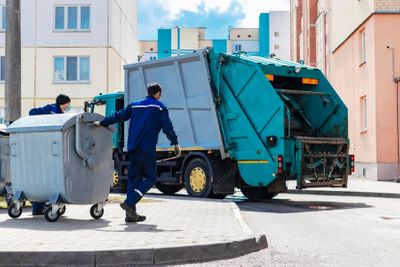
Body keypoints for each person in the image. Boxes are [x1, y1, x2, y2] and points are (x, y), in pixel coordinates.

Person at [94, 82, 180, 223]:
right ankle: (130, 202)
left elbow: (119, 115)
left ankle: (130, 214)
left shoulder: (135, 105)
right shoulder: (160, 107)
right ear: (158, 93)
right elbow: (167, 127)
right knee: (151, 178)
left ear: (148, 92)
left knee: (134, 179)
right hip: (147, 149)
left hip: (133, 149)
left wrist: (103, 122)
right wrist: (175, 142)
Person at [29, 94, 71, 215]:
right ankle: (37, 208)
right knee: (42, 178)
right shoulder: (50, 109)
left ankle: (40, 207)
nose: (68, 106)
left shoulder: (61, 115)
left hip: (53, 150)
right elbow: (32, 112)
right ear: (62, 103)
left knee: (49, 179)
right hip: (44, 147)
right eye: (67, 103)